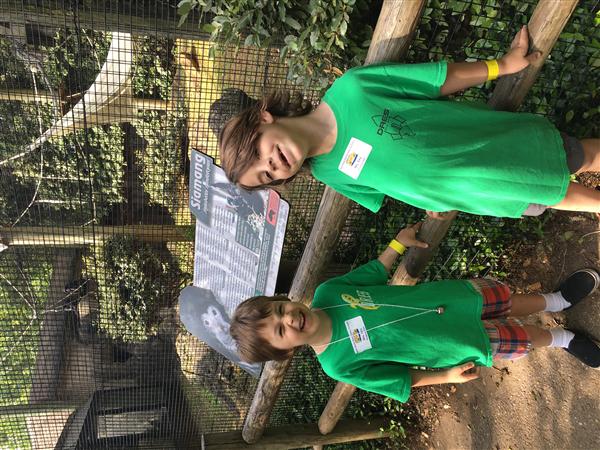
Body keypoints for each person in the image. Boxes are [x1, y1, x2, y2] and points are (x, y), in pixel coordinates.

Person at [218, 26, 600, 219]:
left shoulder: (352, 89)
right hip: (479, 193)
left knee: (577, 156)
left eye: (259, 152)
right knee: (555, 198)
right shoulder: (327, 174)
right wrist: (428, 201)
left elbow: (436, 80)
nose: (270, 165)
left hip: (489, 147)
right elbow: (390, 184)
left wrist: (501, 66)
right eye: (265, 175)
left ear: (264, 119)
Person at [229, 223, 600, 402]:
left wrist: (396, 244)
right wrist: (446, 375)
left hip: (450, 299)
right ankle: (561, 339)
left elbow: (373, 273)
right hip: (452, 343)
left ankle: (556, 301)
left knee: (508, 301)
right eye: (280, 331)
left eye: (280, 309)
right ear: (285, 351)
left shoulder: (329, 292)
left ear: (284, 298)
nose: (289, 319)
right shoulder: (337, 365)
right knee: (518, 338)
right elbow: (400, 379)